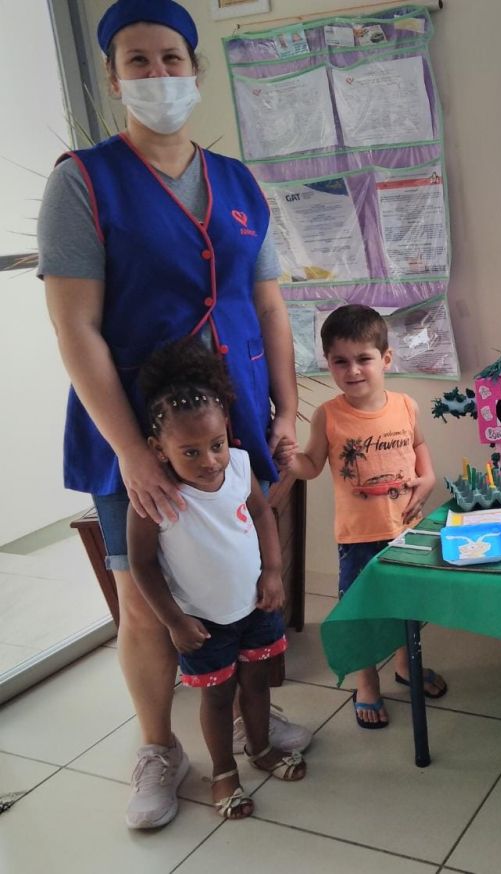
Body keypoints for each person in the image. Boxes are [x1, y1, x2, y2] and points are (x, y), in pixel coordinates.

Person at [37, 0, 309, 829]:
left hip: (235, 423)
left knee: (245, 573)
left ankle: (249, 716)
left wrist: (289, 407)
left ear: (194, 69)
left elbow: (269, 305)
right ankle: (159, 747)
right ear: (113, 78)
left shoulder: (237, 182)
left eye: (170, 58)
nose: (157, 74)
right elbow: (76, 328)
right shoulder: (83, 182)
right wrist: (130, 450)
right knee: (147, 598)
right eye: (138, 61)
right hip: (137, 430)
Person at [128, 340, 306, 820]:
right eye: (190, 451)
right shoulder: (153, 498)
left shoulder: (240, 466)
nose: (209, 461)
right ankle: (224, 771)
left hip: (255, 606)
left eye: (216, 445)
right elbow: (141, 564)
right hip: (203, 624)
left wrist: (273, 573)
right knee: (218, 696)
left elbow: (262, 513)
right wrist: (174, 621)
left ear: (227, 428)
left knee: (258, 684)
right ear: (158, 449)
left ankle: (261, 747)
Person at [279, 305, 447, 727]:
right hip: (358, 537)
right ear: (328, 363)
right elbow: (311, 466)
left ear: (385, 359)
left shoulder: (406, 405)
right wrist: (287, 458)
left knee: (407, 604)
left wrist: (428, 478)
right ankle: (366, 682)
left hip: (407, 530)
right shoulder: (329, 415)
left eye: (363, 359)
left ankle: (406, 666)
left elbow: (419, 445)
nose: (353, 370)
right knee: (361, 612)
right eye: (340, 361)